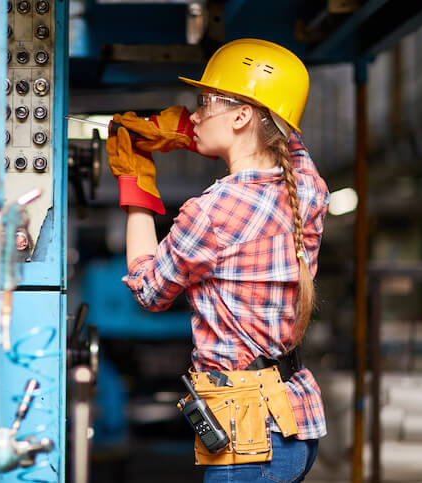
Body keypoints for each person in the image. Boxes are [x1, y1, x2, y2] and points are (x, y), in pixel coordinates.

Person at [105, 38, 329, 482]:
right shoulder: (306, 185)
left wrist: (135, 180)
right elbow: (285, 139)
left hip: (247, 435)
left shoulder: (212, 210)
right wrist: (196, 130)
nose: (195, 112)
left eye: (205, 102)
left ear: (243, 115)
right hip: (295, 420)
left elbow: (149, 290)